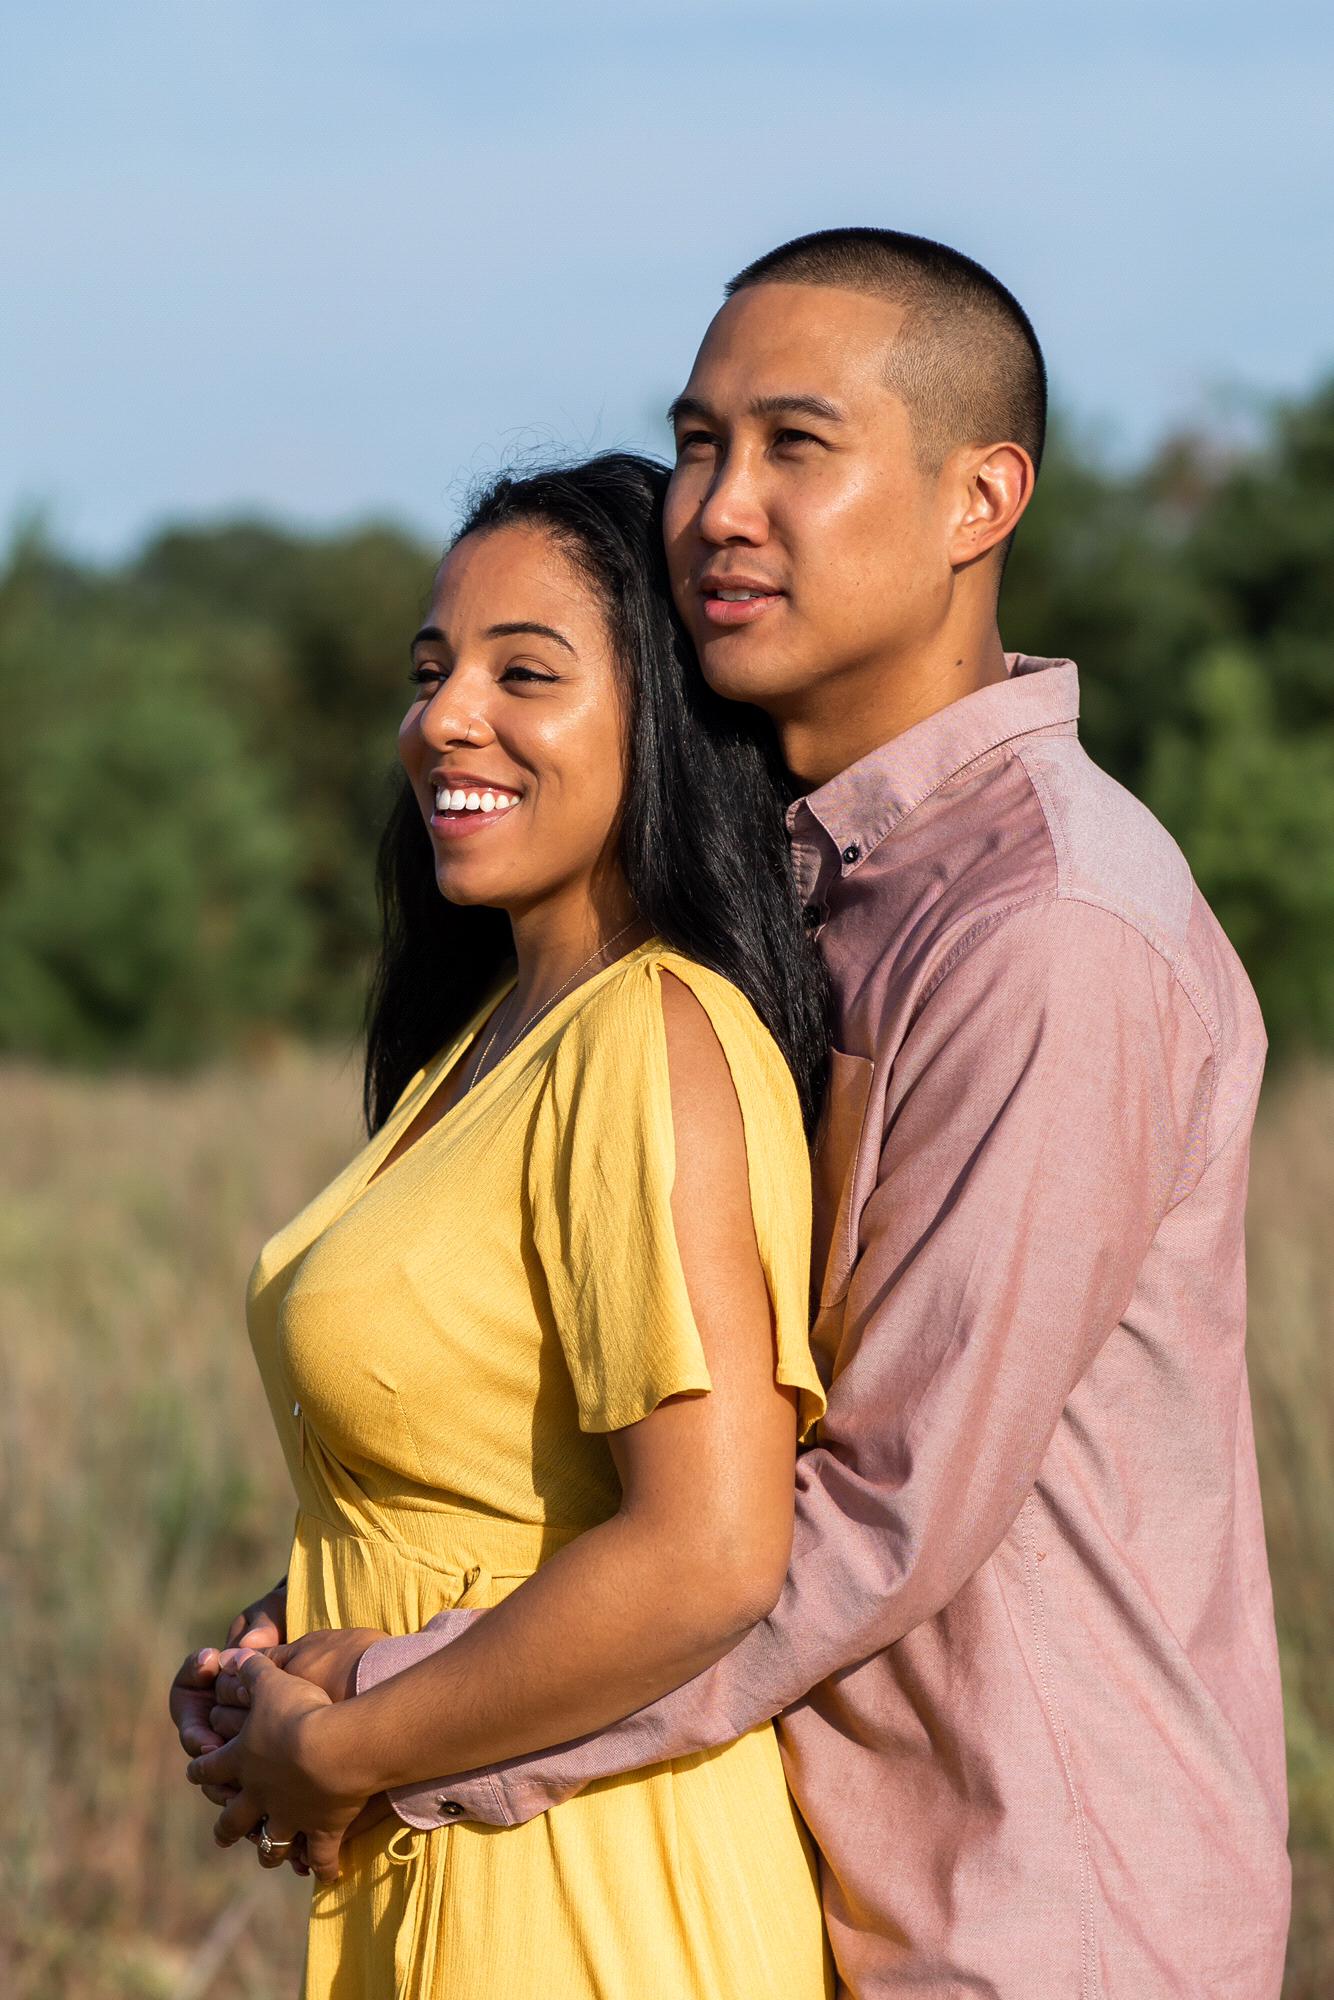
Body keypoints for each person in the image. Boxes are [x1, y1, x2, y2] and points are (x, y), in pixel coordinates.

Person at [183, 229, 1292, 1998]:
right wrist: (324, 1630)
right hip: (788, 1876)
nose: (718, 508)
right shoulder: (783, 897)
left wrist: (387, 1719)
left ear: (978, 498)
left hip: (1023, 1910)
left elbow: (860, 1521)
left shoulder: (1047, 932)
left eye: (795, 445)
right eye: (698, 444)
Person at [173, 452, 835, 1998]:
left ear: (660, 719)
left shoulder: (650, 1036)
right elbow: (481, 1483)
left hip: (583, 1892)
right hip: (452, 1843)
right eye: (429, 673)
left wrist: (343, 1747)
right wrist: (283, 1644)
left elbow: (707, 1554)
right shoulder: (489, 1038)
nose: (443, 719)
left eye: (522, 673)